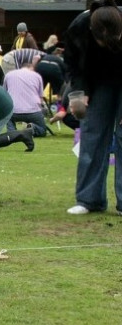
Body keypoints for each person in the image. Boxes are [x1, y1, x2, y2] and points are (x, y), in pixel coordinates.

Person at [63, 0, 122, 215]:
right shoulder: (78, 27)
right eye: (101, 40)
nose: (106, 44)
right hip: (97, 84)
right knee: (91, 135)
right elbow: (71, 63)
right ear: (91, 30)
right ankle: (89, 200)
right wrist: (80, 91)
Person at [3, 63, 47, 137]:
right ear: (31, 67)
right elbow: (41, 97)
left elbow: (4, 93)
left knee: (9, 118)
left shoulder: (8, 75)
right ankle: (32, 127)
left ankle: (12, 132)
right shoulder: (37, 76)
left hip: (13, 110)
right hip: (33, 110)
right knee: (42, 130)